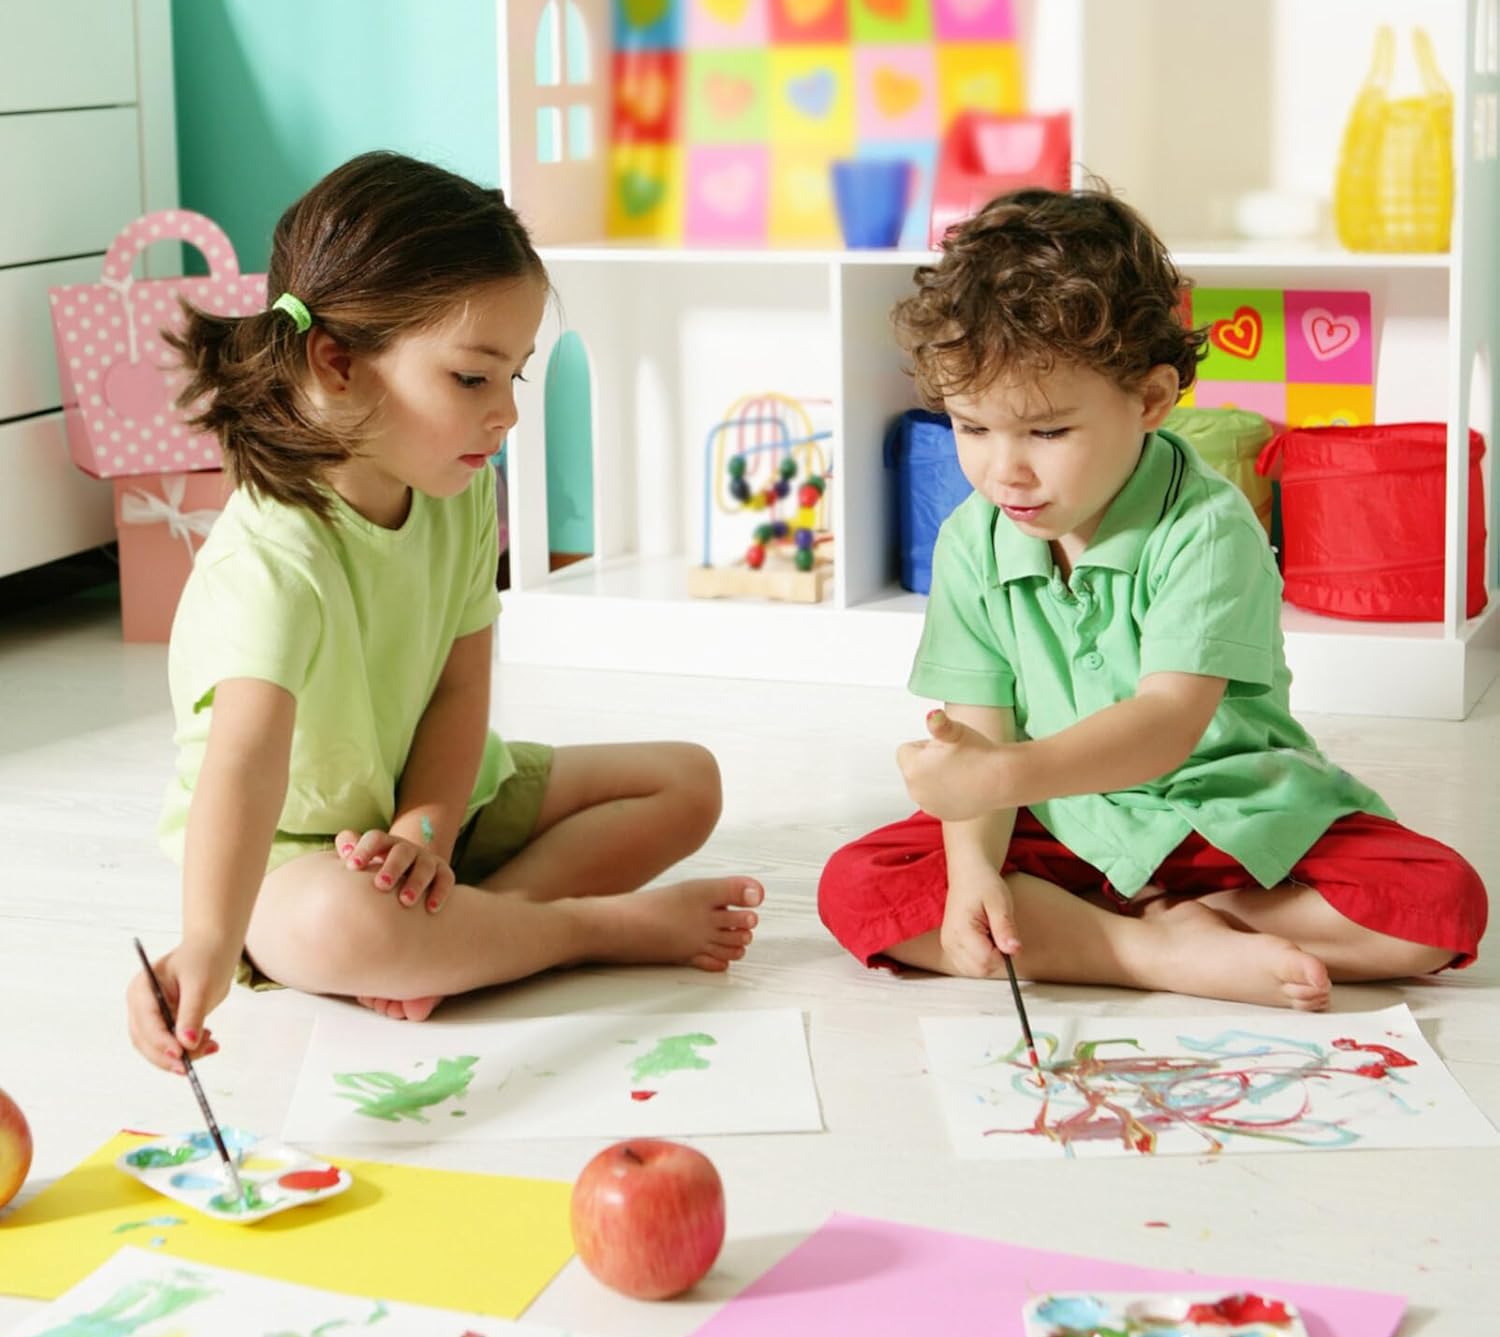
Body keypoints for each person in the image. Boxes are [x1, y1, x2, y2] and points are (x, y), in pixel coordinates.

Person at [128, 152, 762, 1074]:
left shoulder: (458, 495)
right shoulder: (274, 561)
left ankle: (473, 935)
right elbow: (243, 768)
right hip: (297, 854)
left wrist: (425, 828)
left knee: (688, 781)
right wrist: (208, 947)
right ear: (337, 362)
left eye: (516, 378)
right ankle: (586, 931)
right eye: (473, 379)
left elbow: (460, 692)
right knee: (342, 922)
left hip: (435, 805)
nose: (507, 416)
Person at [819, 187, 1486, 1009]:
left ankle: (1146, 924)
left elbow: (1166, 725)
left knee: (1437, 904)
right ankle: (1156, 950)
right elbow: (979, 735)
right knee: (859, 887)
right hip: (1059, 818)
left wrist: (999, 777)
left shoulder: (1208, 525)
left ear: (1151, 400)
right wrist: (972, 871)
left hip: (1229, 810)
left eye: (1047, 431)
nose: (1004, 471)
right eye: (972, 427)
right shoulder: (970, 539)